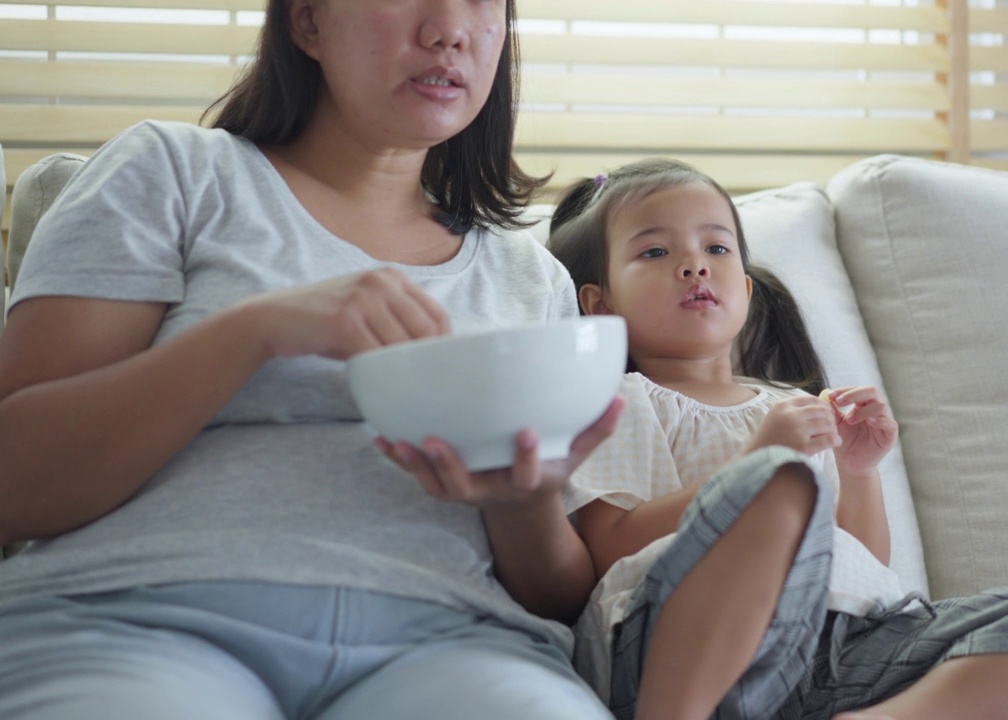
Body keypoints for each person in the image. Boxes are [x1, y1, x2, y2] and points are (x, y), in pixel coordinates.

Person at [0, 0, 623, 718]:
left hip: (453, 640)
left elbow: (557, 593)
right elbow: (16, 486)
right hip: (139, 617)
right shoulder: (172, 173)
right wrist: (253, 331)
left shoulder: (530, 276)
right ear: (307, 22)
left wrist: (522, 499)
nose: (449, 28)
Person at [545, 158, 1008, 720]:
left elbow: (861, 565)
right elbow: (608, 546)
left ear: (746, 293)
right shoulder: (621, 402)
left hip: (845, 651)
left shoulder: (789, 407)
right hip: (691, 652)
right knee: (777, 488)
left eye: (716, 247)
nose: (695, 265)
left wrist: (857, 470)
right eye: (655, 251)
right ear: (599, 306)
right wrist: (761, 463)